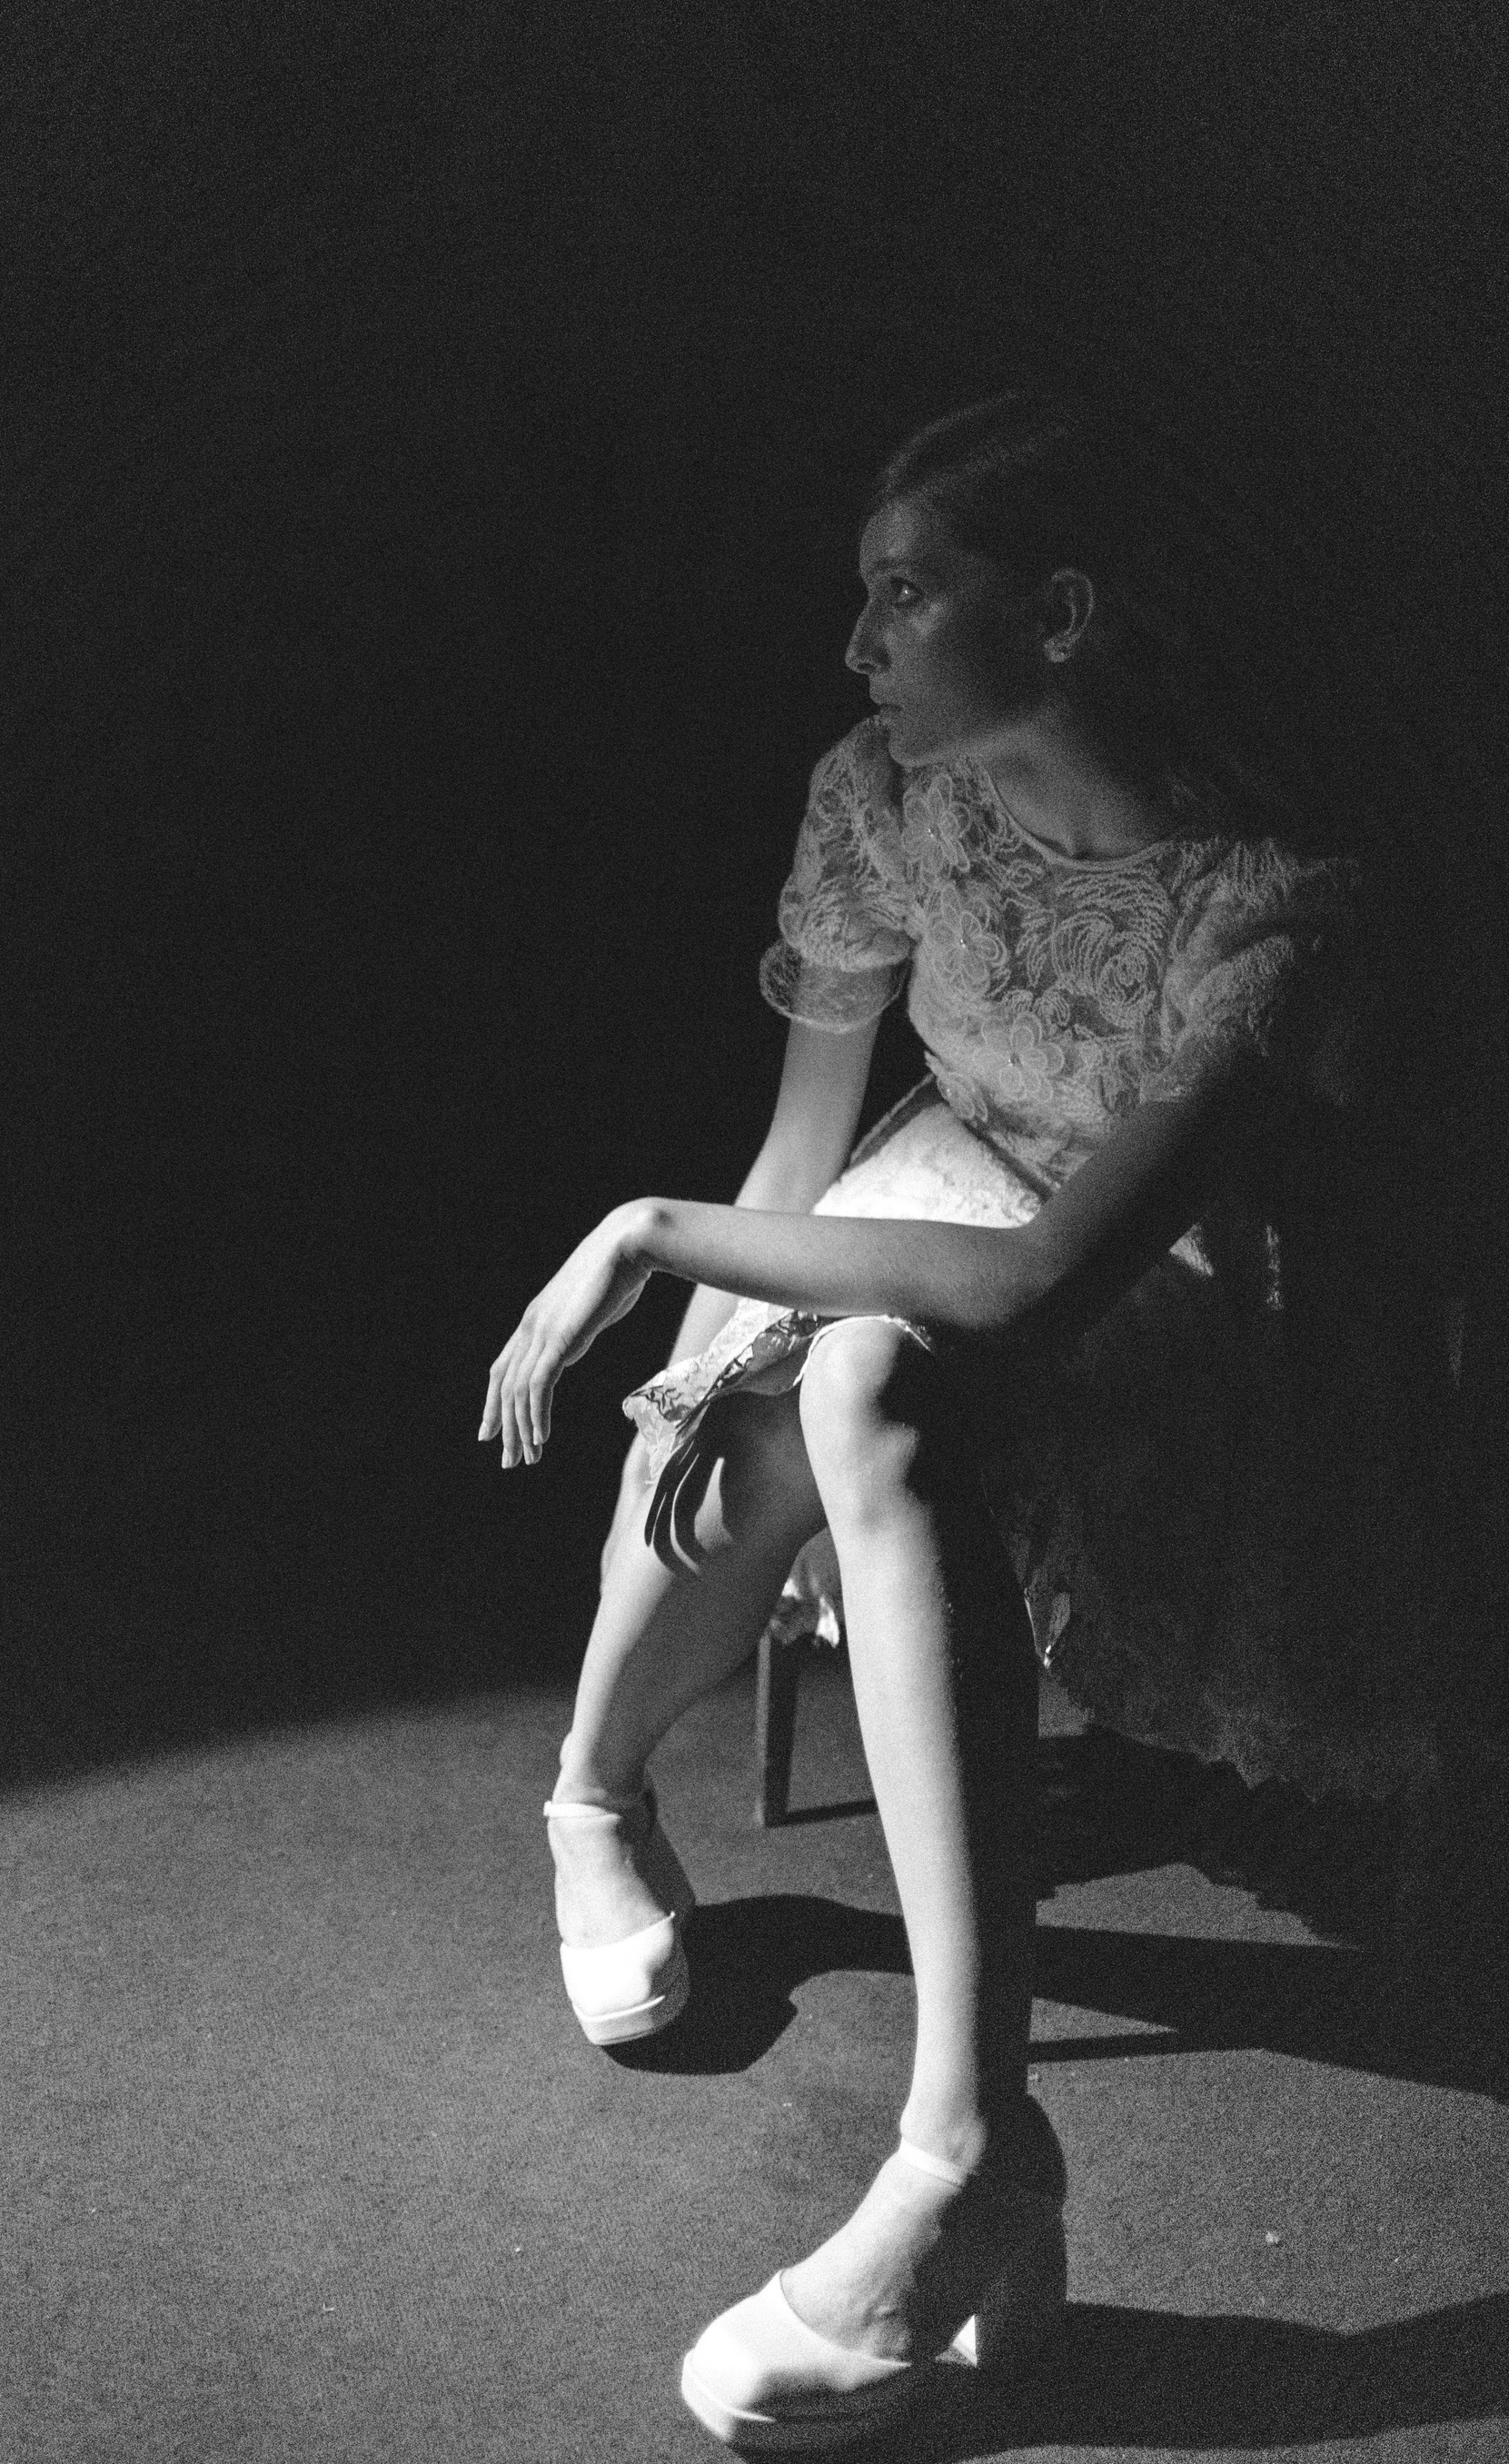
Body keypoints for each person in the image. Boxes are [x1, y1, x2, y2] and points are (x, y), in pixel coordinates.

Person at [478, 390, 1425, 2451]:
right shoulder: (888, 798)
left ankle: (971, 2152)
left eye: (905, 595)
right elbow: (808, 1151)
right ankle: (594, 1802)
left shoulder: (1275, 902)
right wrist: (696, 1340)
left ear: (1062, 613)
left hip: (1189, 1295)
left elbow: (1057, 1280)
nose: (857, 647)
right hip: (947, 1178)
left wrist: (641, 1229)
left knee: (869, 1367)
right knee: (759, 1387)